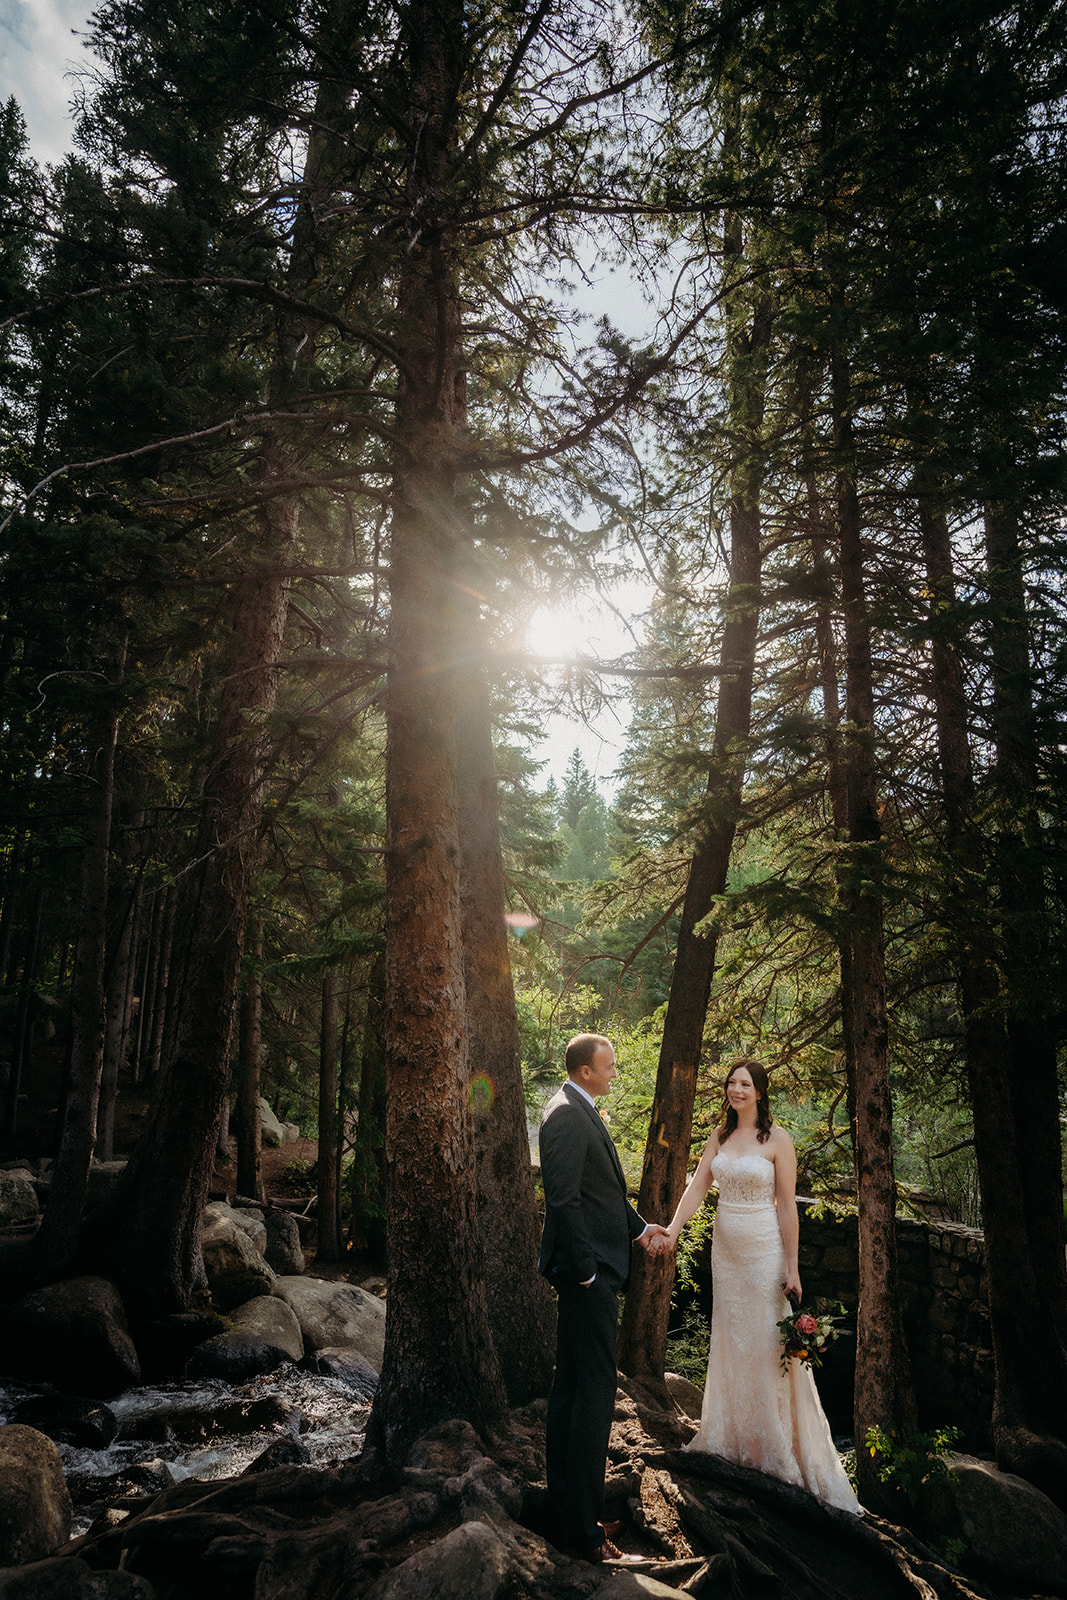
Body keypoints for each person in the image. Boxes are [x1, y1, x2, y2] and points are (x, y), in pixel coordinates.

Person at [650, 1056, 863, 1515]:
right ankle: (730, 1437)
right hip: (726, 1253)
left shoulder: (778, 1140)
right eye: (731, 1082)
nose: (736, 1090)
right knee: (732, 1339)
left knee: (768, 1342)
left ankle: (773, 1445)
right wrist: (672, 1229)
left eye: (745, 1084)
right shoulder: (720, 1137)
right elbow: (697, 1188)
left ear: (760, 1092)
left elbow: (787, 1205)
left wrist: (793, 1267)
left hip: (764, 1251)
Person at [538, 1033, 670, 1563]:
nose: (614, 1073)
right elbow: (564, 1201)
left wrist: (640, 1230)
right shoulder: (567, 1115)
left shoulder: (579, 1107)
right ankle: (586, 1537)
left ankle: (571, 1516)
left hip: (588, 1274)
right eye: (609, 1067)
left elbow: (602, 1196)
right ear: (585, 1070)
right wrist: (588, 1273)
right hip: (585, 1279)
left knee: (571, 1392)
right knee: (591, 1399)